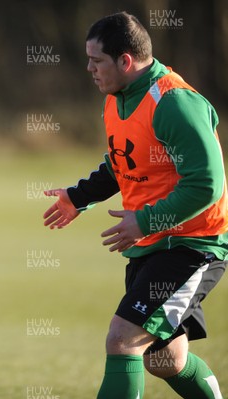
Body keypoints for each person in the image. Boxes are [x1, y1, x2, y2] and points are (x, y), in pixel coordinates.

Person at [43, 11, 226, 399]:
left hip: (192, 244)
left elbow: (206, 184)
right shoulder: (118, 98)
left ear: (125, 61)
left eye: (97, 61)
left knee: (122, 339)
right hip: (155, 245)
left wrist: (144, 221)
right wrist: (78, 197)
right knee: (166, 360)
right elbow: (122, 161)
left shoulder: (174, 102)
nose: (89, 68)